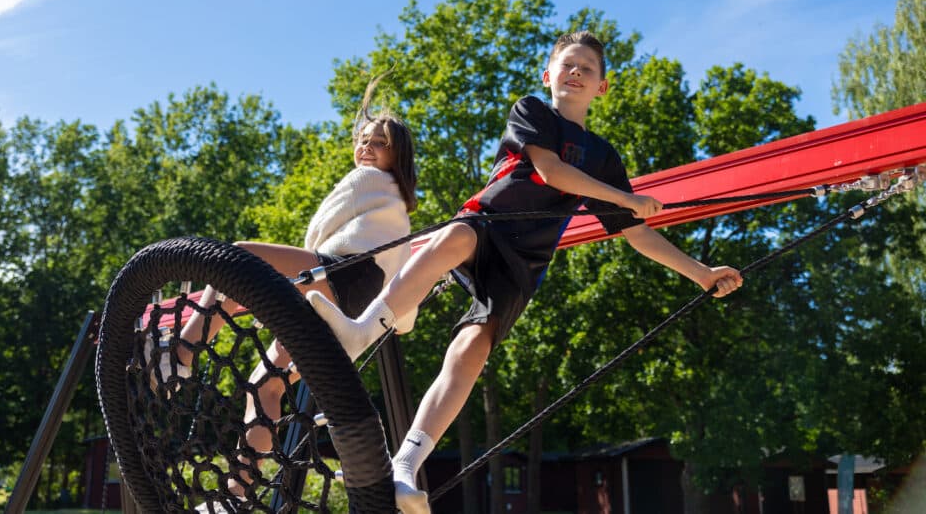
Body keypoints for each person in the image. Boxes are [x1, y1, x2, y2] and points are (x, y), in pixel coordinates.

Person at [307, 31, 744, 514]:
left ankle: (406, 465)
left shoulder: (603, 157)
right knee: (455, 235)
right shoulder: (532, 111)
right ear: (548, 75)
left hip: (525, 262)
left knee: (471, 349)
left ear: (602, 87)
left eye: (587, 69)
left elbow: (636, 233)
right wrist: (625, 198)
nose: (575, 73)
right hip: (491, 223)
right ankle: (361, 331)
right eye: (567, 65)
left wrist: (701, 272)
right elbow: (551, 171)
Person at [148, 76, 418, 509]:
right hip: (345, 301)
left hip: (340, 276)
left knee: (235, 259)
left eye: (379, 143)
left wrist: (277, 290)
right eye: (363, 141)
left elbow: (320, 236)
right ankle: (238, 493)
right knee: (264, 384)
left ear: (397, 156)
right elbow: (403, 282)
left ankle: (180, 352)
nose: (366, 149)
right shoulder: (399, 209)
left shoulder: (370, 183)